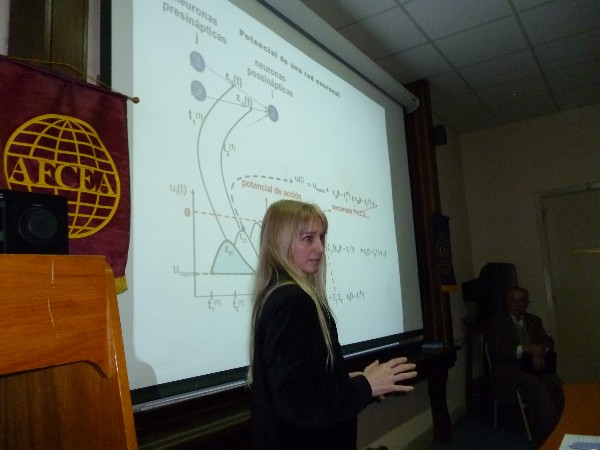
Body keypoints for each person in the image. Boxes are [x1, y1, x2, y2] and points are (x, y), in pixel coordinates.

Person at [248, 199, 417, 450]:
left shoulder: (278, 295)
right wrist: (365, 386)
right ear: (280, 243)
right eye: (308, 238)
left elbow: (299, 379)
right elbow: (298, 404)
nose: (320, 248)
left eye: (322, 237)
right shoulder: (292, 301)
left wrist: (344, 380)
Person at [487, 286, 564, 442]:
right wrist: (526, 349)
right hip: (508, 368)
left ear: (526, 303)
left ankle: (566, 421)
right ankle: (555, 433)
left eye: (521, 300)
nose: (517, 304)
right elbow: (497, 350)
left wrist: (540, 350)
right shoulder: (496, 322)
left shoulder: (534, 320)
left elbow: (548, 340)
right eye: (513, 300)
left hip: (534, 365)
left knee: (555, 381)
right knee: (537, 385)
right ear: (506, 302)